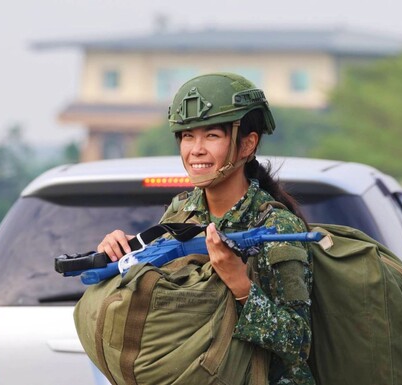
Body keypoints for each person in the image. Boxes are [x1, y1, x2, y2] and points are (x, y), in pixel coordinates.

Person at [97, 72, 315, 385]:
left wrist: (240, 285)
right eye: (187, 136)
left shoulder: (276, 226)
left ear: (247, 144)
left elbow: (298, 342)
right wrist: (125, 255)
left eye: (211, 136)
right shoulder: (182, 211)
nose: (196, 149)